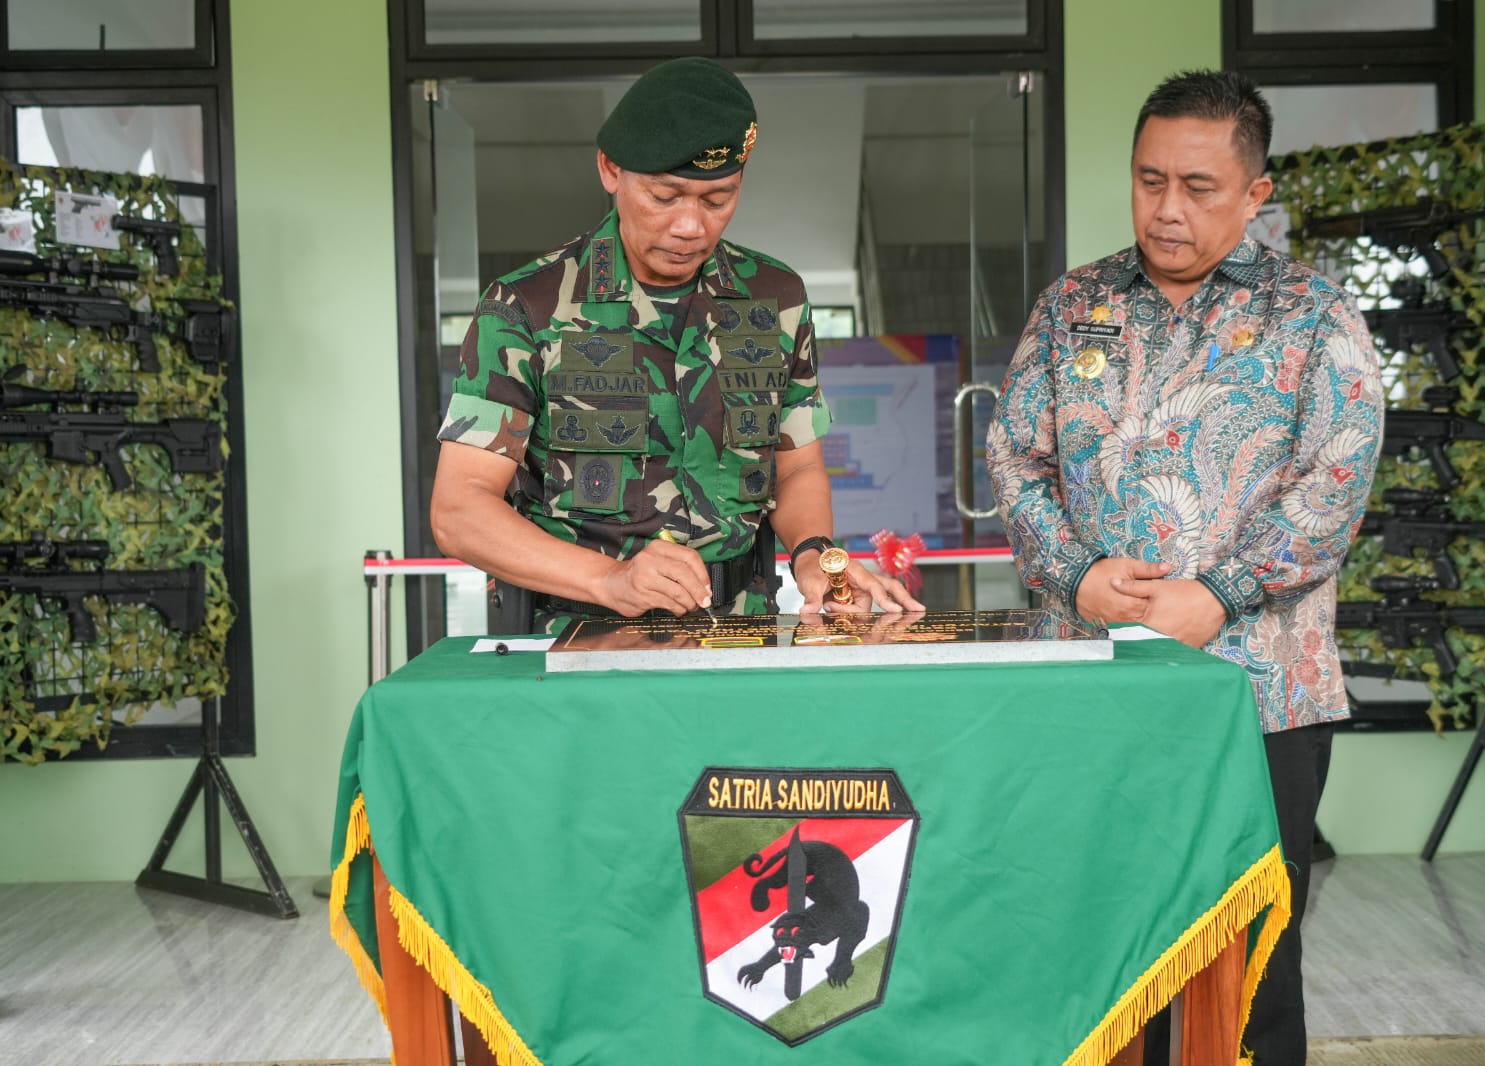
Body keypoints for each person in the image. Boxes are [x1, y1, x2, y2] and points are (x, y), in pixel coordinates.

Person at [986, 69, 1383, 1065]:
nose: (1167, 208)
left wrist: (1221, 592)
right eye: (1148, 178)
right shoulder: (1074, 305)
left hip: (1259, 692)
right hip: (1098, 686)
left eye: (1198, 187)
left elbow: (1335, 481)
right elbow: (1015, 458)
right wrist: (1074, 573)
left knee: (1253, 945)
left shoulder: (1312, 315)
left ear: (1255, 195)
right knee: (1101, 932)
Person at [430, 57, 921, 632]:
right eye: (666, 196)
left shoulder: (774, 298)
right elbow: (459, 509)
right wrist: (608, 579)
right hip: (579, 638)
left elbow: (797, 467)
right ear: (610, 169)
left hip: (743, 633)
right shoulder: (527, 307)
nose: (691, 226)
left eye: (717, 199)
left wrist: (813, 556)